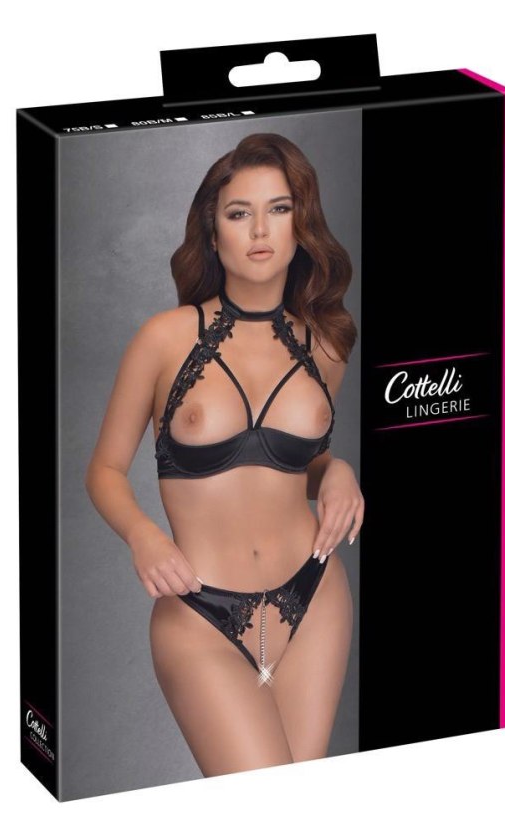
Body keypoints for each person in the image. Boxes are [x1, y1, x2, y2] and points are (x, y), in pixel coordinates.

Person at [85, 132, 364, 778]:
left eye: (279, 209)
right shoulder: (164, 339)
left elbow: (301, 464)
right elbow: (103, 470)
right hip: (198, 609)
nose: (260, 230)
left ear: (300, 225)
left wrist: (339, 471)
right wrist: (143, 537)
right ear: (213, 234)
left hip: (315, 595)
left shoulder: (325, 346)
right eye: (240, 213)